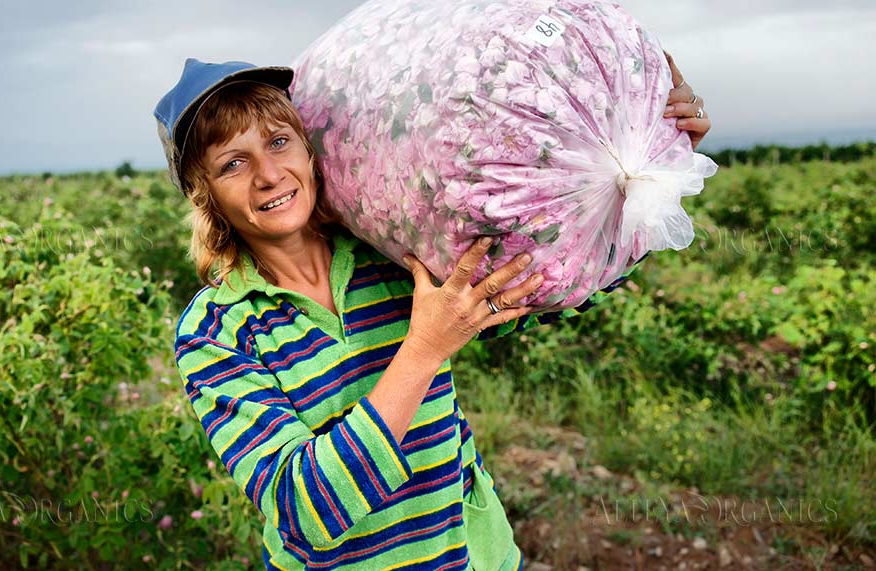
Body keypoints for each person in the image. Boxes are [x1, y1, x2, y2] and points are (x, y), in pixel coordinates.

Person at [154, 56, 711, 569]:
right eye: (232, 164)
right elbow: (305, 511)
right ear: (205, 194)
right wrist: (424, 350)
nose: (269, 174)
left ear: (308, 150)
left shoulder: (392, 253)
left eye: (279, 141)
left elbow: (553, 289)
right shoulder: (217, 330)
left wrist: (659, 157)